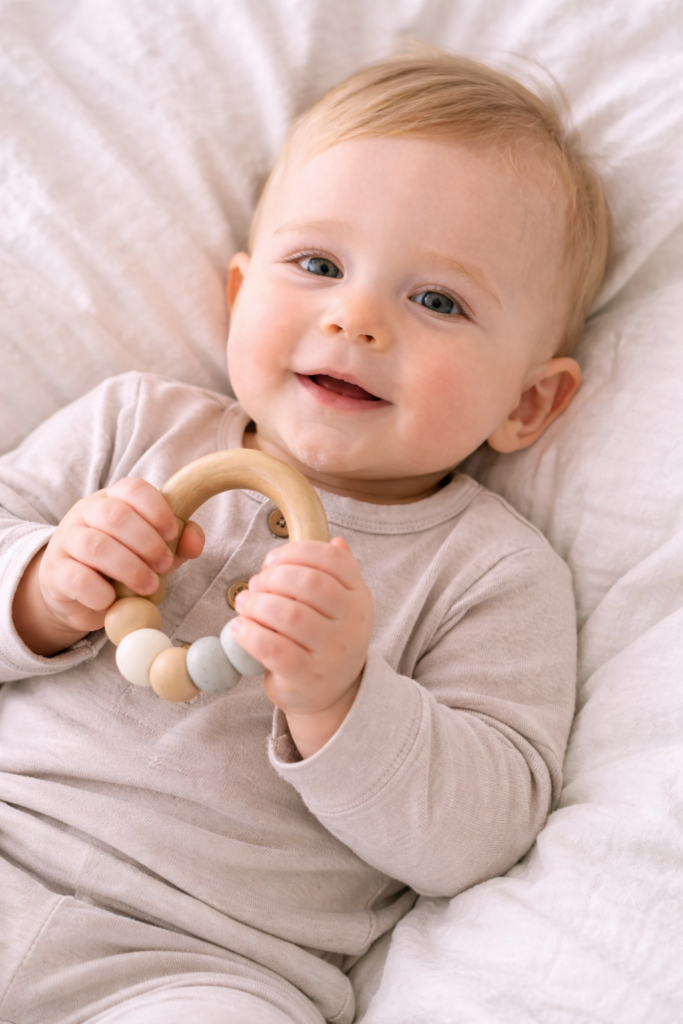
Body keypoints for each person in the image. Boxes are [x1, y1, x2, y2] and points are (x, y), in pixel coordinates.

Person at [0, 53, 610, 1024]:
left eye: (437, 301)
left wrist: (343, 696)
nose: (355, 319)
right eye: (319, 266)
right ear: (240, 293)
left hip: (197, 962)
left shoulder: (491, 574)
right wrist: (42, 586)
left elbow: (482, 835)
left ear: (527, 403)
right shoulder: (131, 425)